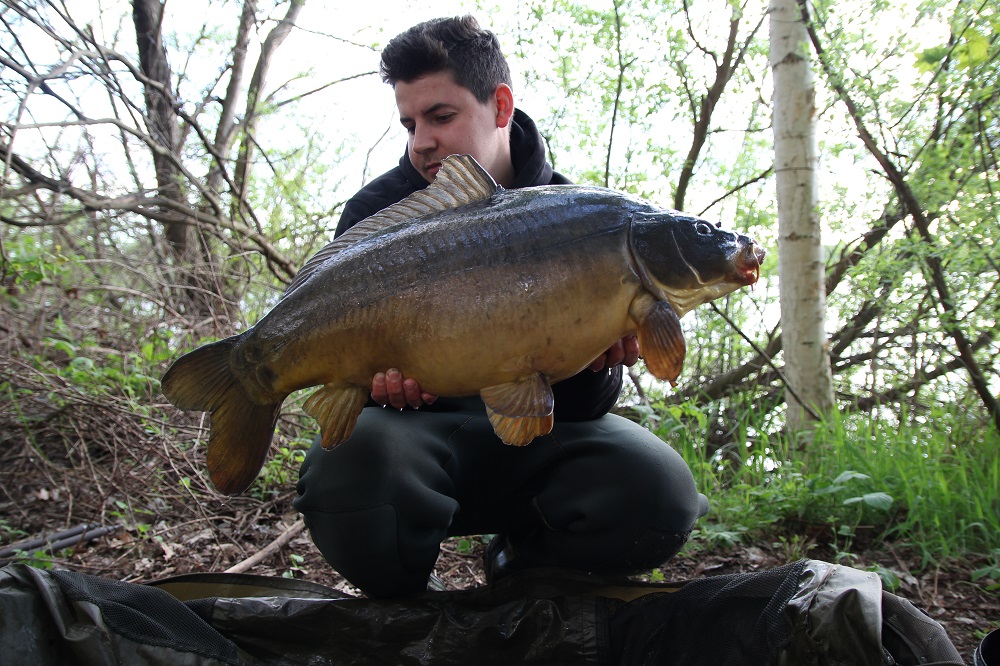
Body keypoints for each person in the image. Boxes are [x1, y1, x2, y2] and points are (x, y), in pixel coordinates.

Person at [293, 15, 709, 598]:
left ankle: (522, 573)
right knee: (350, 465)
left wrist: (600, 360)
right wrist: (372, 387)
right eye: (410, 122)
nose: (421, 142)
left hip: (533, 441)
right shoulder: (377, 213)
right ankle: (412, 604)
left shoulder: (580, 214)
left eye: (441, 117)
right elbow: (353, 377)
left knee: (657, 489)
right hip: (415, 444)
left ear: (501, 106)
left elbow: (586, 409)